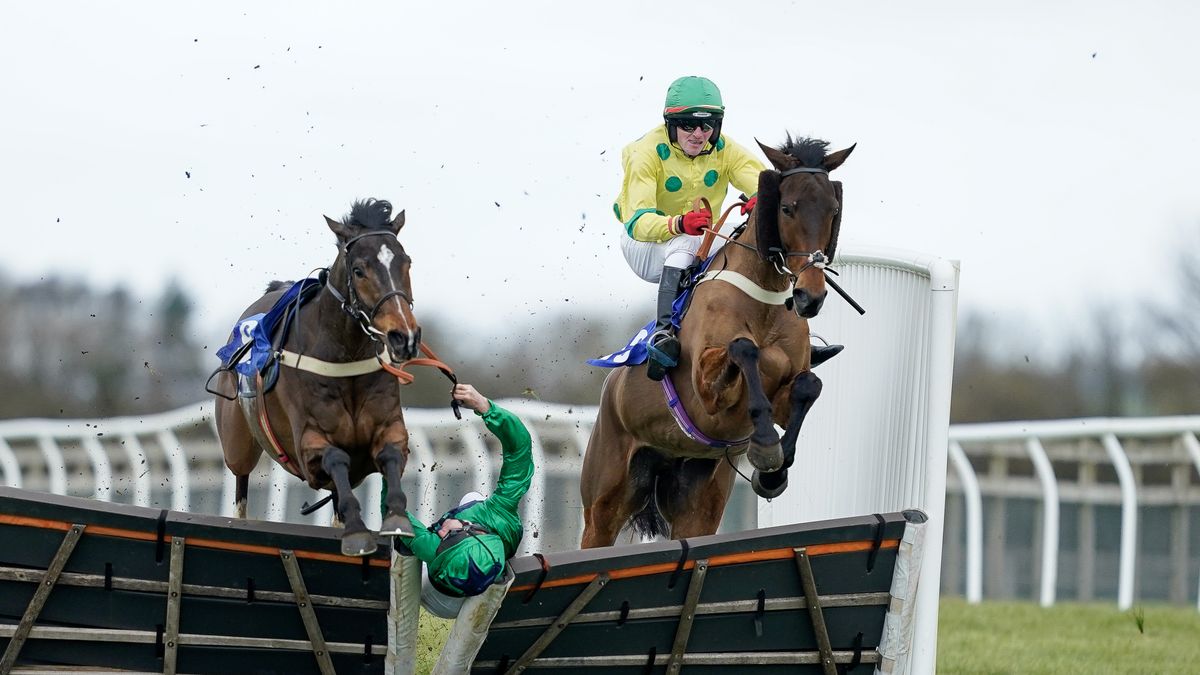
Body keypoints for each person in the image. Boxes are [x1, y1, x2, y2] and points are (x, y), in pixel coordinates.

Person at [613, 75, 841, 380]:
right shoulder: (644, 154)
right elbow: (637, 223)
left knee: (752, 241)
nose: (698, 134)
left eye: (706, 126)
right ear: (671, 124)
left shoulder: (725, 149)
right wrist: (677, 223)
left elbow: (767, 186)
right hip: (644, 244)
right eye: (688, 125)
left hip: (701, 237)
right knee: (683, 242)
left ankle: (794, 336)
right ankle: (664, 334)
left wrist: (761, 201)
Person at [397, 383, 533, 617]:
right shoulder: (500, 511)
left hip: (436, 598)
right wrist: (484, 406)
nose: (439, 531)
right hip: (481, 585)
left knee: (402, 544)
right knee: (473, 499)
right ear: (469, 530)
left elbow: (393, 513)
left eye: (442, 536)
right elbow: (520, 446)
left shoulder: (433, 547)